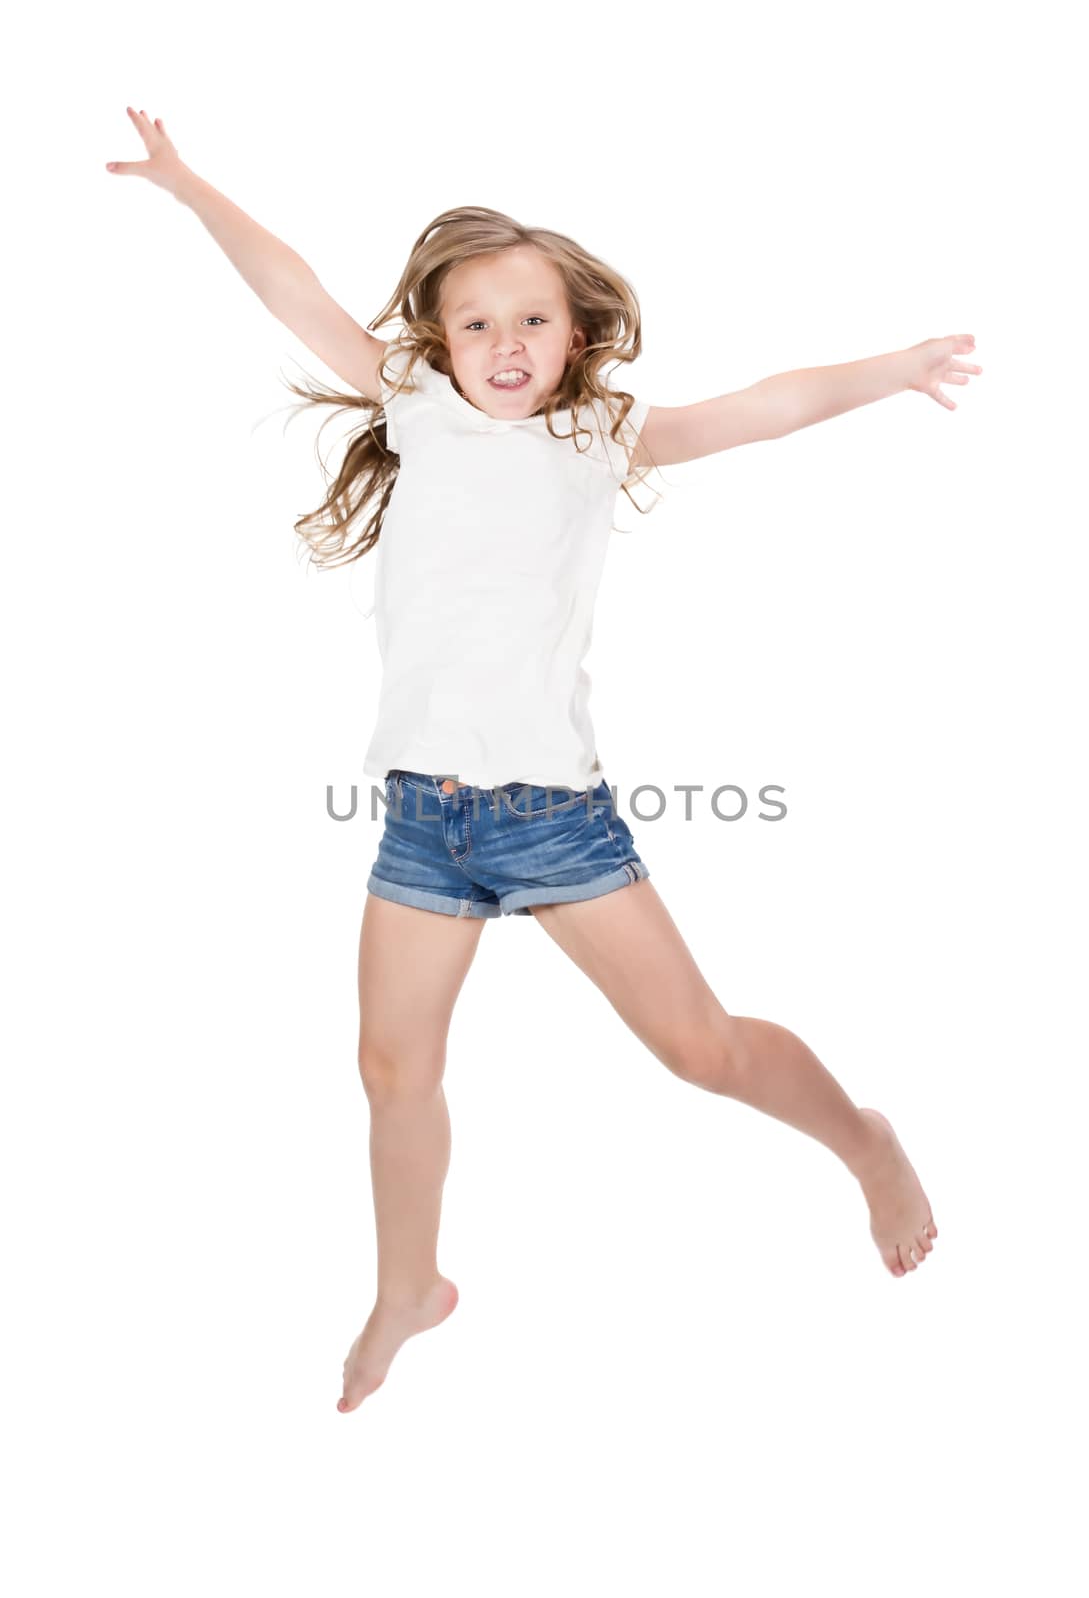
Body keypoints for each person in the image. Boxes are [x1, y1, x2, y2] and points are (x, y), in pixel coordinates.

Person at [108, 107, 980, 1416]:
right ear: (434, 341)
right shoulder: (408, 405)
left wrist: (892, 365)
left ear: (574, 335)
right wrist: (187, 187)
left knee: (697, 1050)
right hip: (421, 818)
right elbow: (288, 284)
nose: (504, 346)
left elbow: (763, 407)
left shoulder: (596, 437)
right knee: (391, 1069)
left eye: (531, 321)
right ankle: (411, 1285)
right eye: (475, 324)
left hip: (551, 820)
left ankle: (867, 1145)